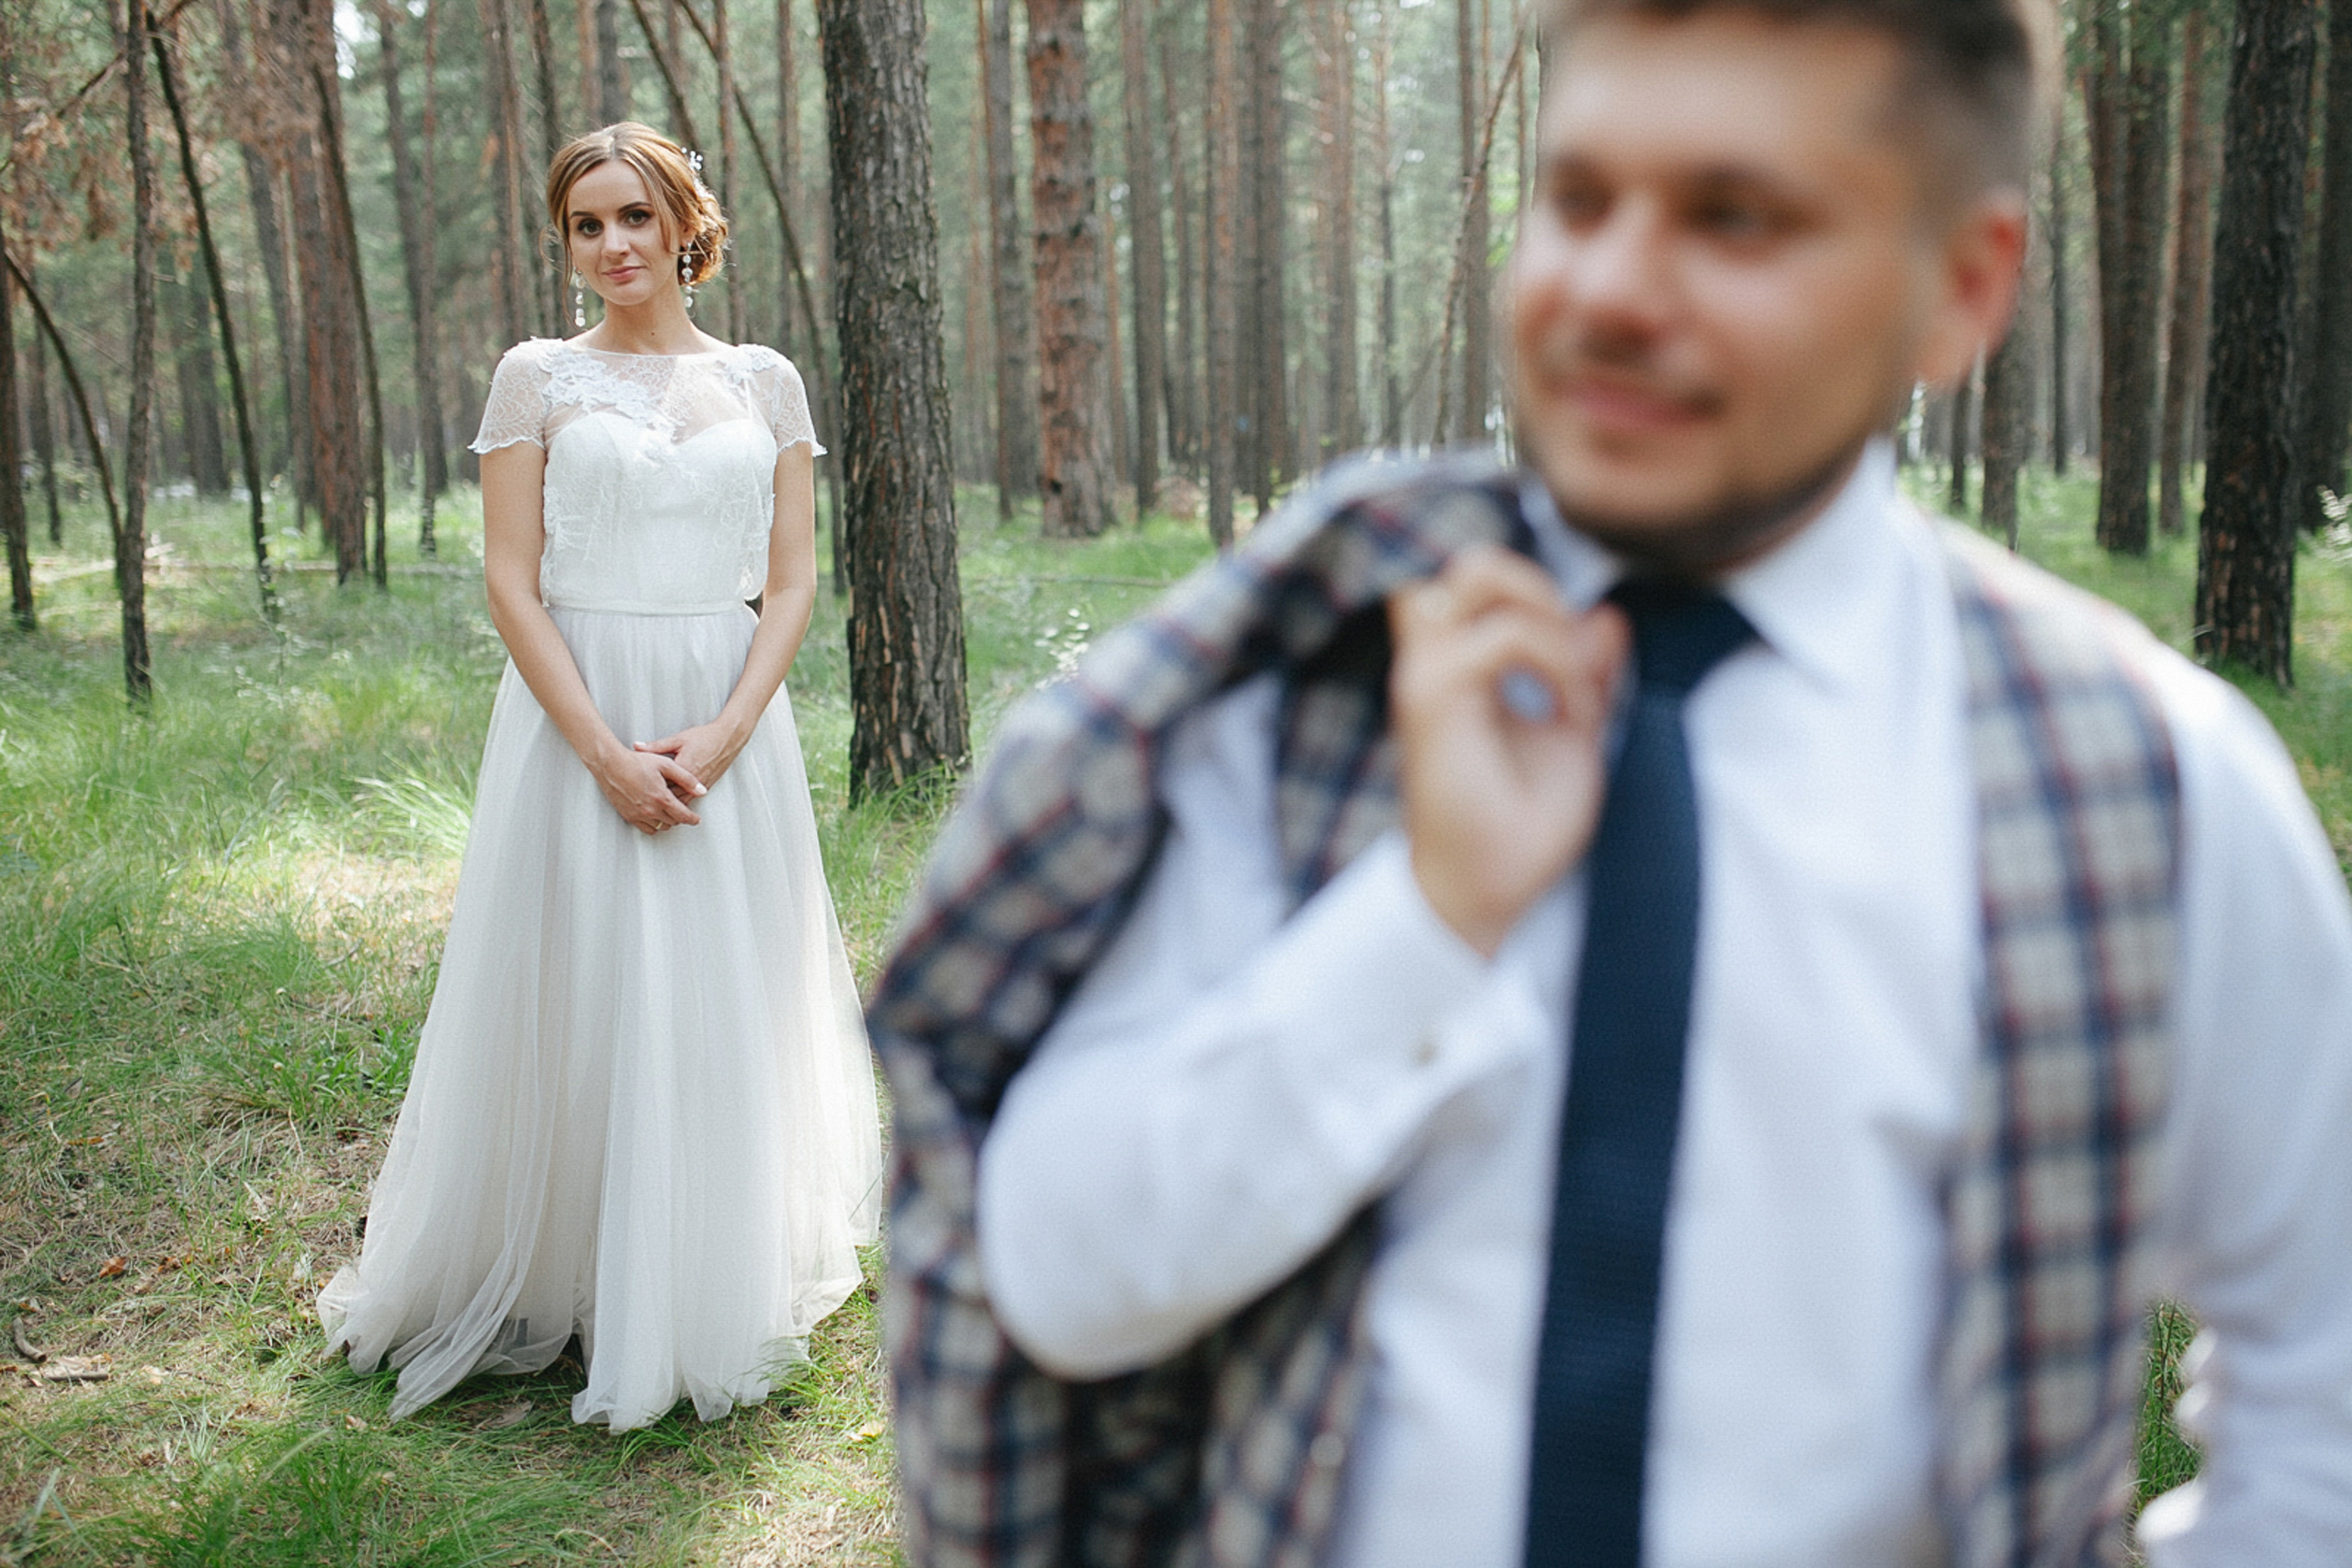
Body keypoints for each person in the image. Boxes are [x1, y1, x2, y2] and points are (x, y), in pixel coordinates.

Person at [870, 2, 2352, 1564]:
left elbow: (2324, 1388)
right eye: (1577, 200)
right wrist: (1425, 924)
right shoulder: (1309, 687)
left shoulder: (2148, 787)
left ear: (1963, 285)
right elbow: (1057, 1271)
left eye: (1735, 218)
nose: (1609, 292)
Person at [320, 122, 881, 1432]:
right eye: (586, 226)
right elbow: (511, 581)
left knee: (715, 983)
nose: (613, 246)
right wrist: (604, 755)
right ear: (565, 243)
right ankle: (562, 1267)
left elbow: (791, 578)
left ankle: (700, 1267)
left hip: (727, 716)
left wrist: (730, 731)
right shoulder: (539, 378)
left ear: (686, 221)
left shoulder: (765, 380)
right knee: (576, 975)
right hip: (578, 711)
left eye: (636, 216)